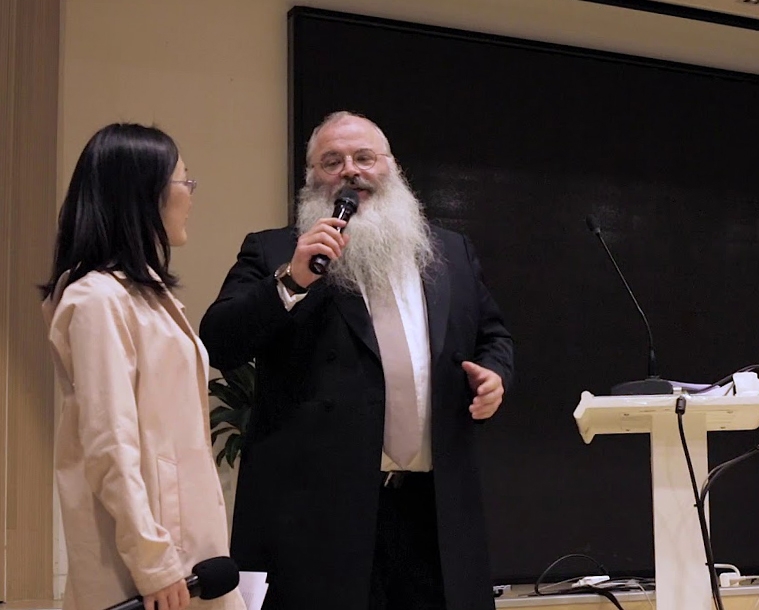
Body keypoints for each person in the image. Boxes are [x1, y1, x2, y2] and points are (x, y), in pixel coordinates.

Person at [199, 111, 514, 610]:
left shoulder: (450, 252)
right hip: (323, 519)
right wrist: (291, 280)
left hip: (435, 511)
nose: (350, 170)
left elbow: (493, 336)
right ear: (312, 179)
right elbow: (220, 342)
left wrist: (494, 375)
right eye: (332, 161)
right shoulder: (276, 250)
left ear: (390, 167)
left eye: (364, 157)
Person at [41, 123, 246, 610]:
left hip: (183, 553)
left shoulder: (143, 295)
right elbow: (109, 442)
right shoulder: (97, 300)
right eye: (184, 182)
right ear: (144, 194)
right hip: (147, 563)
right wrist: (153, 561)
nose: (191, 196)